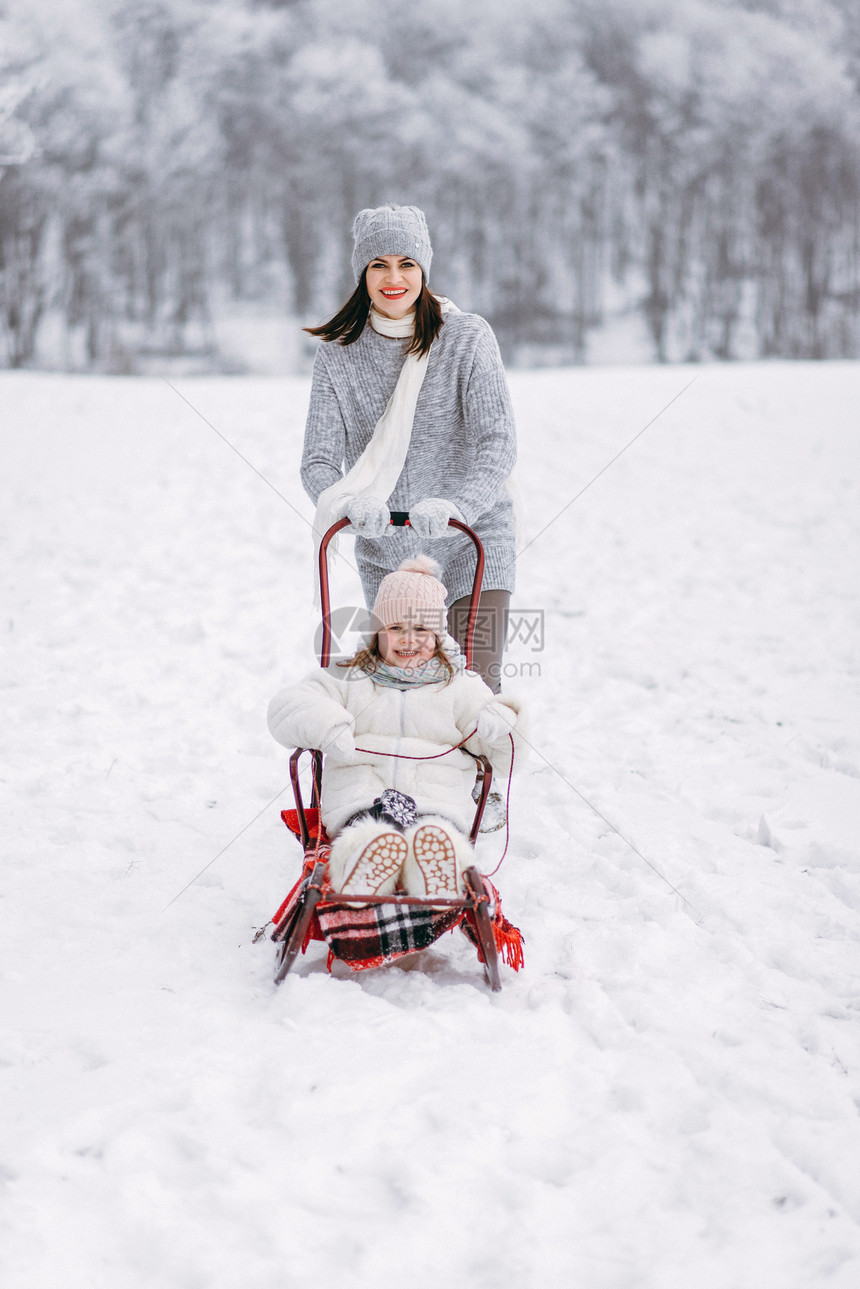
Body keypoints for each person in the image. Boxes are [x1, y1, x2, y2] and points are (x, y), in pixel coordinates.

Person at [302, 203, 518, 693]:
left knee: (471, 686)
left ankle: (479, 766)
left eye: (406, 264)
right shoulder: (338, 354)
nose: (392, 277)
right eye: (378, 264)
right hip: (387, 547)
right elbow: (317, 460)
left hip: (471, 535)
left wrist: (457, 506)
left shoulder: (465, 338)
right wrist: (348, 504)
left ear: (424, 269)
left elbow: (498, 441)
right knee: (404, 689)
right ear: (362, 272)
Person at [267, 557, 526, 898]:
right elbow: (288, 706)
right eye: (396, 628)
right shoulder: (347, 677)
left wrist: (504, 723)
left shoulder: (461, 687)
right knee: (369, 831)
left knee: (435, 833)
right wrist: (327, 724)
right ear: (377, 633)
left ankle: (437, 869)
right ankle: (365, 864)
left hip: (437, 798)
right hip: (362, 794)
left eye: (421, 629)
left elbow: (507, 760)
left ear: (437, 635)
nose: (408, 640)